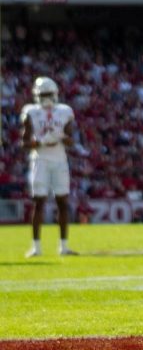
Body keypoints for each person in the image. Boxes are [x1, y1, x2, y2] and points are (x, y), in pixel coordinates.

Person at [21, 77, 77, 258]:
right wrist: (39, 142)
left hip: (59, 159)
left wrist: (59, 136)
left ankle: (64, 246)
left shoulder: (64, 111)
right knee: (39, 202)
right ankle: (36, 247)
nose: (46, 98)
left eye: (48, 94)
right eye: (43, 95)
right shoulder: (31, 112)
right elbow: (25, 142)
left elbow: (71, 140)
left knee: (62, 202)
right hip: (40, 160)